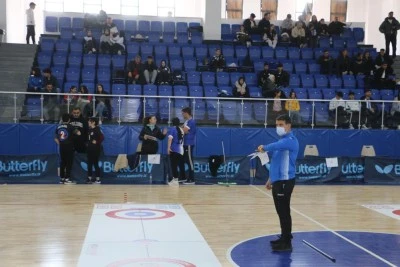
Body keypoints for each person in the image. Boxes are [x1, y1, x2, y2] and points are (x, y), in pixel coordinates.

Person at [257, 114, 299, 252]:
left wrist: (264, 147)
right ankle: (284, 237)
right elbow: (276, 162)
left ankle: (287, 242)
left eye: (281, 125)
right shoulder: (282, 142)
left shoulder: (290, 140)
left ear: (288, 125)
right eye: (277, 125)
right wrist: (270, 179)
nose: (278, 127)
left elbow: (275, 146)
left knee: (284, 211)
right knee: (281, 211)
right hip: (278, 181)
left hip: (285, 181)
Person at [55, 113, 79, 184]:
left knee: (63, 162)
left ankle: (62, 178)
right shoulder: (70, 126)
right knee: (69, 162)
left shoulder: (58, 127)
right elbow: (78, 133)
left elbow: (55, 139)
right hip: (69, 146)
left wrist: (61, 143)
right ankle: (67, 178)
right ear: (69, 119)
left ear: (62, 119)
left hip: (62, 147)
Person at [167, 117, 185, 186]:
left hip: (174, 150)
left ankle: (175, 180)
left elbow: (170, 139)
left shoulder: (172, 129)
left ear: (172, 123)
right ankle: (177, 179)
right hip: (181, 150)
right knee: (177, 165)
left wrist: (168, 148)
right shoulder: (181, 130)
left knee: (173, 166)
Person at [86, 117, 104, 184]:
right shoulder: (89, 129)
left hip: (95, 149)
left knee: (95, 163)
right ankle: (89, 178)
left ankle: (98, 179)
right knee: (89, 164)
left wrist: (97, 142)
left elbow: (102, 137)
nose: (88, 122)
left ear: (93, 122)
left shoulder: (97, 129)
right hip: (89, 149)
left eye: (89, 121)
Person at [182, 107, 196, 185]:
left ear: (186, 113)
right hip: (185, 144)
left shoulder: (191, 122)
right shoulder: (186, 121)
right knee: (186, 161)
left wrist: (182, 130)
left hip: (189, 144)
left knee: (190, 161)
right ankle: (187, 178)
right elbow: (182, 129)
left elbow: (184, 131)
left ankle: (191, 179)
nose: (182, 115)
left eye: (183, 113)